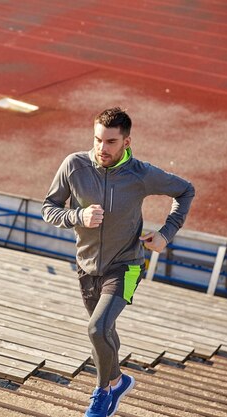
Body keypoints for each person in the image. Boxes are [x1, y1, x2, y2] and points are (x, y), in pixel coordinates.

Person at [42, 107, 195, 417]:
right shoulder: (74, 166)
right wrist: (77, 216)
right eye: (98, 140)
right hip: (86, 268)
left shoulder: (140, 173)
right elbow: (49, 208)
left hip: (126, 266)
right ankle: (119, 381)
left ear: (126, 141)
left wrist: (166, 234)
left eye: (111, 142)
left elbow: (185, 190)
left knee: (97, 329)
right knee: (105, 332)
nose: (102, 149)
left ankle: (102, 393)